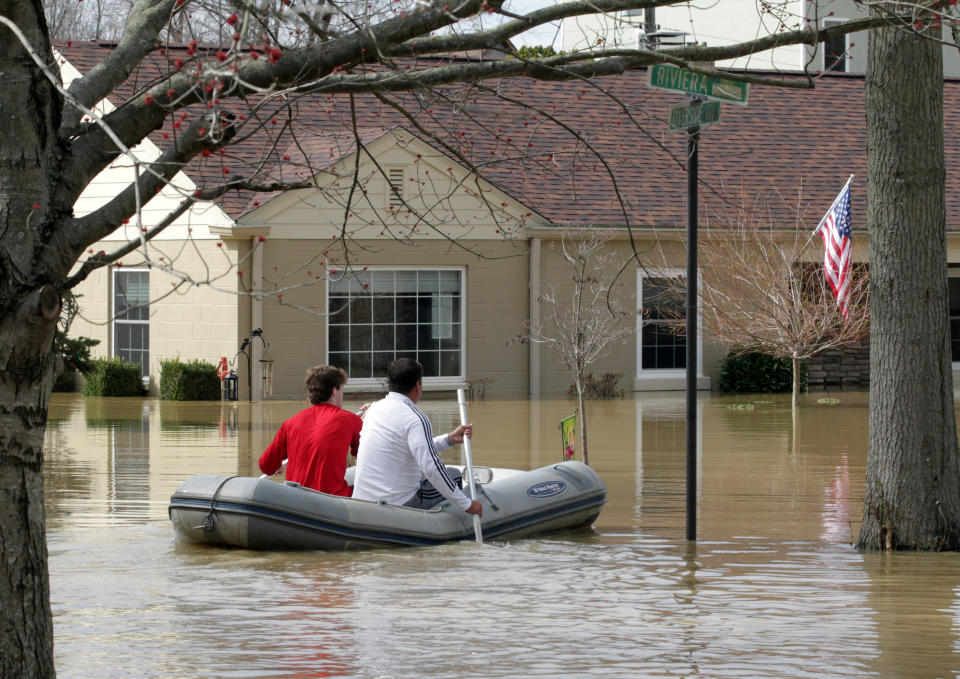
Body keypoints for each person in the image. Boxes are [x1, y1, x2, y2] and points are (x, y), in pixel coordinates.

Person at [351, 358, 482, 516]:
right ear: (418, 386)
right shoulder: (416, 418)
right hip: (399, 504)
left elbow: (406, 447)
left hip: (362, 501)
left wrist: (449, 439)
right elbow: (432, 468)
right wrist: (467, 504)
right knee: (454, 475)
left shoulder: (373, 410)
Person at [258, 365, 362, 496]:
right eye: (342, 390)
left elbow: (266, 466)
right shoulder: (350, 420)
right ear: (334, 391)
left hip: (295, 500)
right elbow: (368, 460)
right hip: (333, 502)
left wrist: (278, 465)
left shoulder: (290, 423)